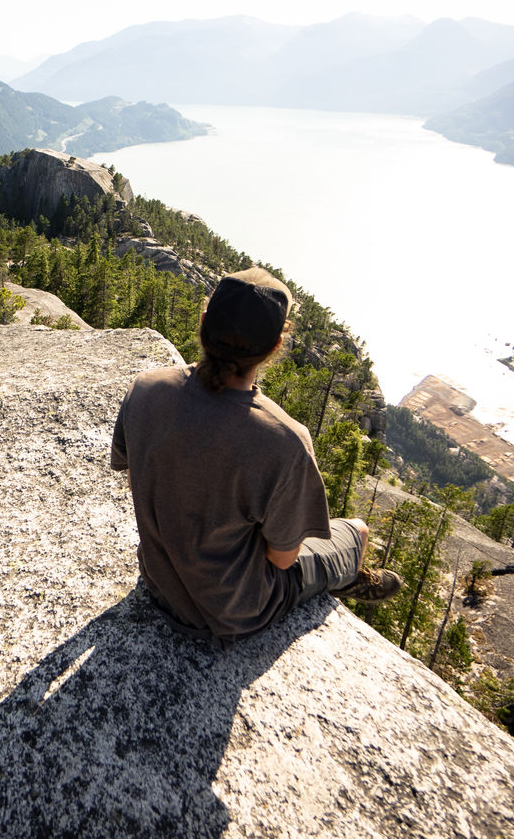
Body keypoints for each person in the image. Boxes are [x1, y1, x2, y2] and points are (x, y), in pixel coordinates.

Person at [110, 267, 402, 646]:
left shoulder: (146, 388)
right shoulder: (285, 440)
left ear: (204, 322)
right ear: (276, 345)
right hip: (234, 613)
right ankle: (348, 575)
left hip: (157, 582)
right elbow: (281, 560)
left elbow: (139, 481)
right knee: (357, 531)